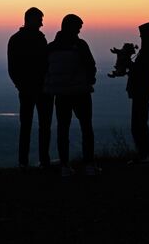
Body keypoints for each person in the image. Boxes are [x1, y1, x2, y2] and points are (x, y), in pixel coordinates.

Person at [44, 14, 98, 177]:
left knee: (63, 129)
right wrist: (90, 80)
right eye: (78, 27)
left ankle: (64, 166)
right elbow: (91, 66)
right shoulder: (80, 45)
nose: (80, 30)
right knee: (86, 128)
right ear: (73, 27)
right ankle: (88, 165)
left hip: (61, 95)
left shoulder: (51, 47)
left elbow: (45, 70)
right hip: (80, 93)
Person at [7, 7, 54, 169]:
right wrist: (22, 85)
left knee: (29, 126)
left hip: (34, 89)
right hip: (38, 89)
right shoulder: (35, 40)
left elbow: (12, 68)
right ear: (31, 19)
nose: (42, 23)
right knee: (41, 126)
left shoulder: (17, 39)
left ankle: (25, 162)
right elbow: (13, 68)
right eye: (40, 19)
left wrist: (20, 85)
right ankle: (41, 161)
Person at [126, 22, 149, 163]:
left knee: (138, 125)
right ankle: (145, 154)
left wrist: (128, 64)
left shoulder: (148, 52)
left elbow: (141, 72)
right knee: (140, 124)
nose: (140, 36)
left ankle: (144, 154)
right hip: (142, 91)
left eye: (142, 34)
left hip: (141, 91)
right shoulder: (147, 51)